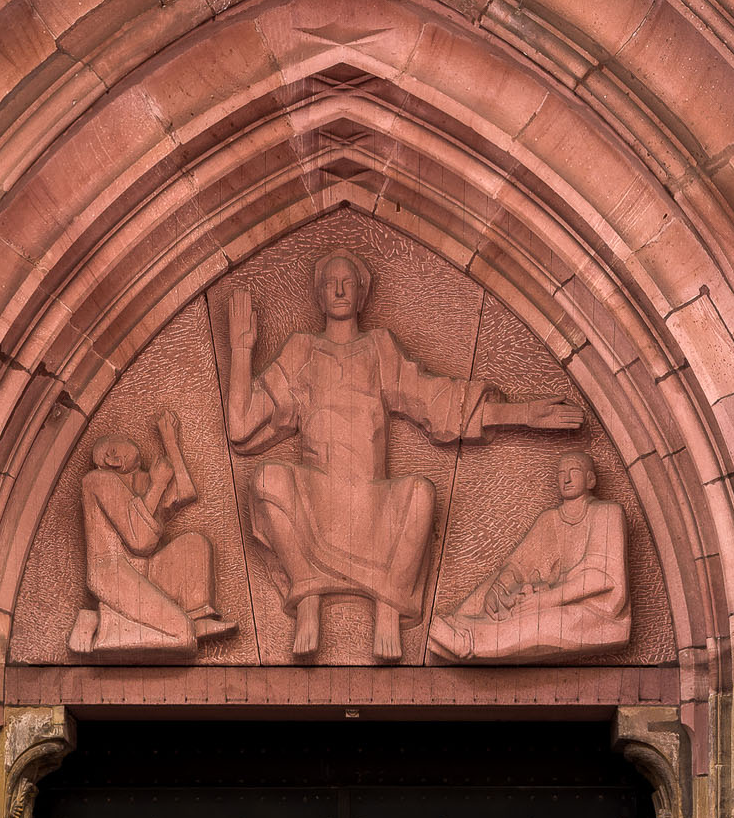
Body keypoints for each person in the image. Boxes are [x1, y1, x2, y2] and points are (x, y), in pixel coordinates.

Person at [224, 248, 581, 661]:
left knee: (422, 493)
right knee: (266, 479)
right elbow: (240, 424)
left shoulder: (379, 348)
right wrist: (241, 350)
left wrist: (520, 413)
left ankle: (388, 607)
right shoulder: (301, 351)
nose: (339, 290)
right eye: (329, 284)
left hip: (374, 502)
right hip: (316, 497)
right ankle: (308, 594)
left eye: (348, 283)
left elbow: (435, 401)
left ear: (362, 295)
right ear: (318, 296)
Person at [430, 449, 632, 663]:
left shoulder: (607, 512)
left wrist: (547, 599)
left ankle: (467, 643)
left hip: (594, 611)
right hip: (544, 598)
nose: (567, 478)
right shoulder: (549, 519)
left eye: (575, 471)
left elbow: (600, 576)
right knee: (497, 588)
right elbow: (520, 566)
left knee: (544, 623)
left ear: (590, 480)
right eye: (561, 473)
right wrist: (498, 590)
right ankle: (459, 623)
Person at [70, 415, 232, 660]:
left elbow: (186, 492)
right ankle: (100, 621)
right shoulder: (99, 480)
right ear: (112, 457)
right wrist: (157, 485)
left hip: (147, 570)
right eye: (123, 441)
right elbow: (139, 540)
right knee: (183, 635)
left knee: (193, 544)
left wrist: (170, 442)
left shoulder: (144, 480)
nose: (131, 442)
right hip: (113, 571)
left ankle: (198, 615)